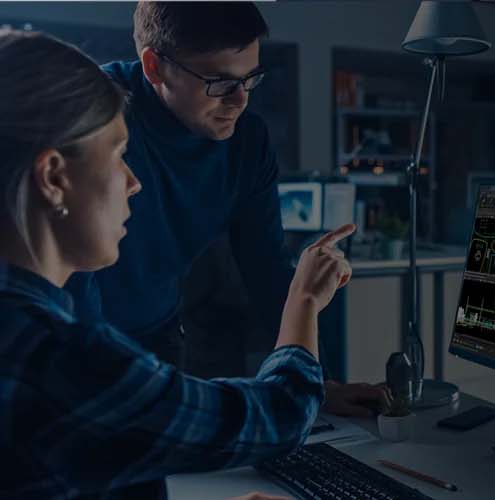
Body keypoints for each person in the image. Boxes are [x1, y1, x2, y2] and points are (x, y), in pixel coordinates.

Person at [0, 29, 354, 499]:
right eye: (118, 156)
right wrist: (306, 299)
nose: (133, 183)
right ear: (53, 176)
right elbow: (279, 416)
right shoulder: (65, 361)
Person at [60, 1, 387, 416]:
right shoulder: (94, 118)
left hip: (157, 335)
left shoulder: (247, 142)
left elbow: (266, 266)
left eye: (250, 79)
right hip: (73, 337)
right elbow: (68, 269)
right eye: (219, 82)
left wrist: (318, 384)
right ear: (155, 67)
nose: (239, 101)